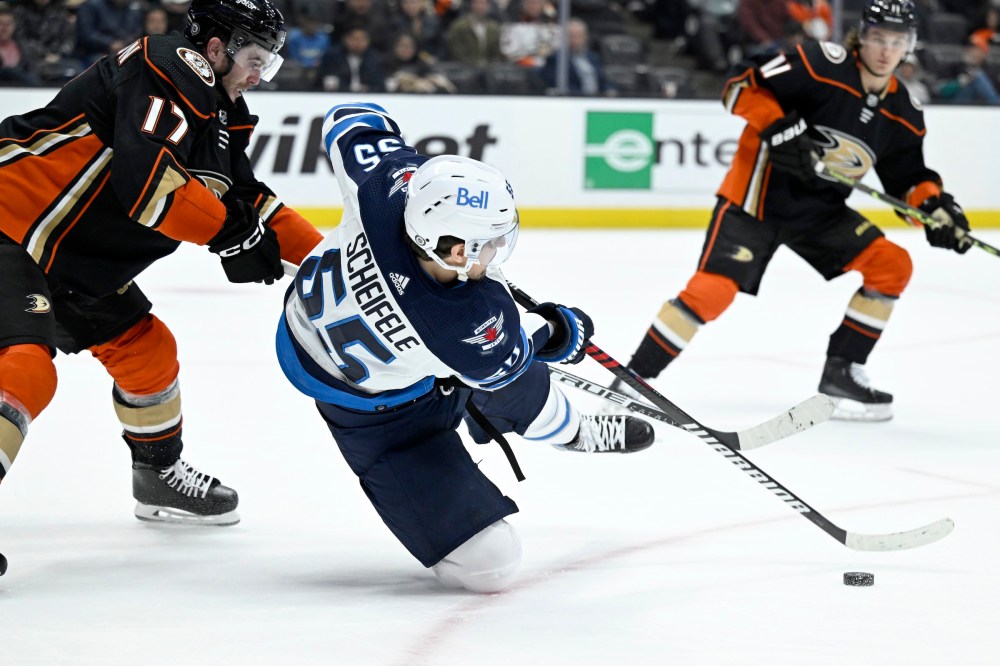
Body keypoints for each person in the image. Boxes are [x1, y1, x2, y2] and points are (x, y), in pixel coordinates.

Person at [275, 102, 655, 593]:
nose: (496, 252)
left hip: (337, 347)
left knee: (493, 370)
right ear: (457, 250)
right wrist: (565, 332)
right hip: (383, 421)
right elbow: (520, 352)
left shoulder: (386, 191)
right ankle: (560, 427)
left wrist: (411, 172)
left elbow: (350, 116)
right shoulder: (465, 323)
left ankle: (574, 431)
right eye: (490, 243)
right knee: (490, 565)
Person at [0, 0, 322, 545]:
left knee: (148, 352)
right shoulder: (170, 65)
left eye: (267, 64)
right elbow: (149, 188)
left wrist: (330, 262)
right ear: (215, 48)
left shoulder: (220, 115)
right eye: (253, 59)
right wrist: (229, 234)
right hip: (12, 226)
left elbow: (249, 201)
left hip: (70, 260)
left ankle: (156, 475)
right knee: (25, 368)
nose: (258, 75)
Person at [610, 0, 973, 423]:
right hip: (756, 199)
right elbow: (740, 85)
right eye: (878, 38)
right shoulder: (821, 64)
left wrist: (935, 209)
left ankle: (841, 373)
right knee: (711, 292)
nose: (886, 50)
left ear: (909, 46)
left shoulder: (904, 112)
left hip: (820, 211)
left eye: (897, 41)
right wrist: (778, 128)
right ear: (861, 36)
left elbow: (908, 179)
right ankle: (632, 381)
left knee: (892, 265)